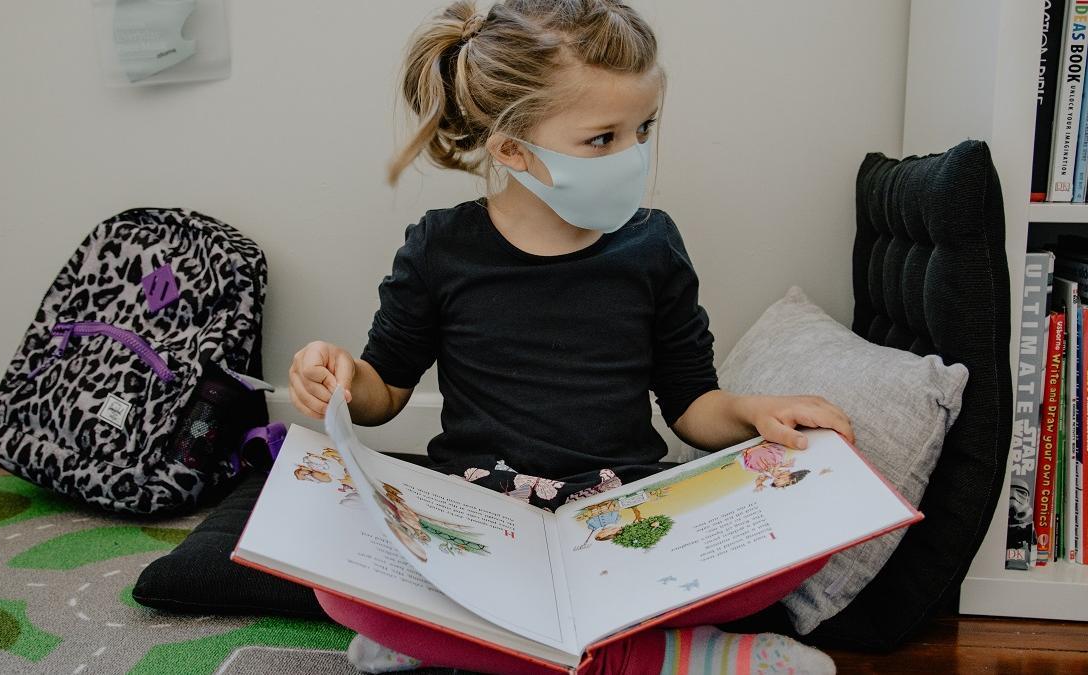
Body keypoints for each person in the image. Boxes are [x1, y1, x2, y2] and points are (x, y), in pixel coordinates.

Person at [289, 1, 854, 672]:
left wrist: (756, 412)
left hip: (622, 516)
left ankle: (461, 639)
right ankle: (655, 657)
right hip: (484, 516)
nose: (632, 155)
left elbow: (691, 404)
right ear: (511, 149)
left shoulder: (653, 245)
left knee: (809, 535)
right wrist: (343, 379)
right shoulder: (441, 247)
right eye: (601, 139)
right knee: (332, 582)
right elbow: (384, 392)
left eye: (643, 129)